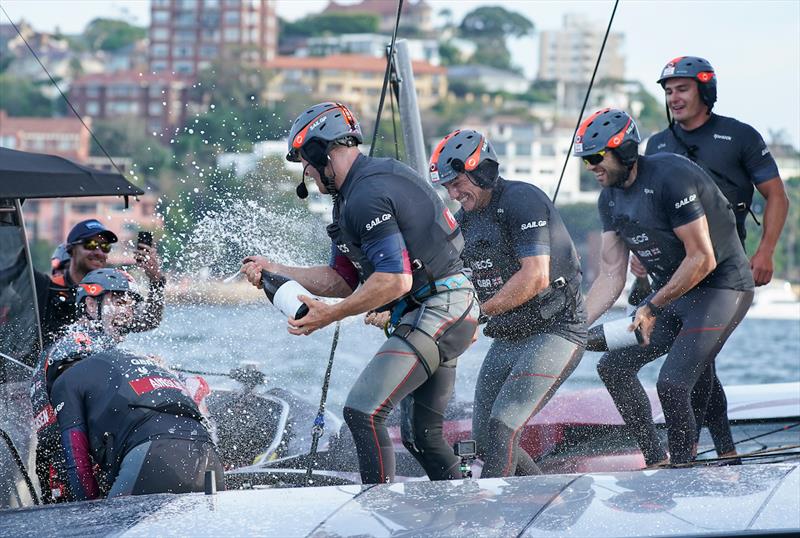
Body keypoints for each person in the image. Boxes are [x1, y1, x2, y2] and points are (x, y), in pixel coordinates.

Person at [241, 101, 479, 484]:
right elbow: (342, 280)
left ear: (321, 151)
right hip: (447, 310)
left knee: (363, 411)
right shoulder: (352, 197)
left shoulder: (367, 194)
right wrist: (276, 269)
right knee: (422, 438)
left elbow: (394, 280)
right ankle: (460, 509)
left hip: (440, 307)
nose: (307, 174)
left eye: (305, 161)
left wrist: (329, 315)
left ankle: (372, 510)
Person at [575, 108, 754, 466]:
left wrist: (652, 306)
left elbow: (702, 258)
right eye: (586, 161)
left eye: (597, 158)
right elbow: (611, 275)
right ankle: (657, 459)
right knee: (612, 366)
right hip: (673, 295)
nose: (592, 167)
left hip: (722, 287)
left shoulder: (672, 176)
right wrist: (573, 325)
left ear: (624, 151)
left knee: (672, 384)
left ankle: (682, 471)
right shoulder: (608, 197)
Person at [643, 55, 790, 460]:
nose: (674, 98)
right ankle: (723, 453)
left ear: (705, 90)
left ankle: (703, 453)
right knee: (700, 365)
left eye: (683, 89)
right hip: (676, 276)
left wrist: (766, 251)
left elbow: (776, 196)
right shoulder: (657, 145)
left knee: (695, 367)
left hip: (725, 272)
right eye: (669, 91)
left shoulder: (738, 136)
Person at [428, 129, 586, 478]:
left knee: (504, 429)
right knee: (485, 439)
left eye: (457, 183)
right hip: (510, 336)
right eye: (447, 188)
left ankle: (490, 520)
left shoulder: (521, 199)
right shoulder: (465, 222)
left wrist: (475, 315)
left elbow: (535, 277)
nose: (453, 194)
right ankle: (546, 497)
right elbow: (448, 280)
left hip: (556, 331)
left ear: (481, 170)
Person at [43, 268, 223, 500]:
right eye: (118, 301)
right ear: (89, 305)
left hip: (149, 454)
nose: (127, 312)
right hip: (206, 456)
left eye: (129, 304)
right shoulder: (74, 351)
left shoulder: (108, 359)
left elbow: (75, 458)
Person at [32, 219, 165, 348]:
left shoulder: (111, 294)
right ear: (70, 249)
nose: (99, 252)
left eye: (105, 247)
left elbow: (149, 321)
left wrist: (156, 281)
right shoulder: (44, 287)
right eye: (90, 245)